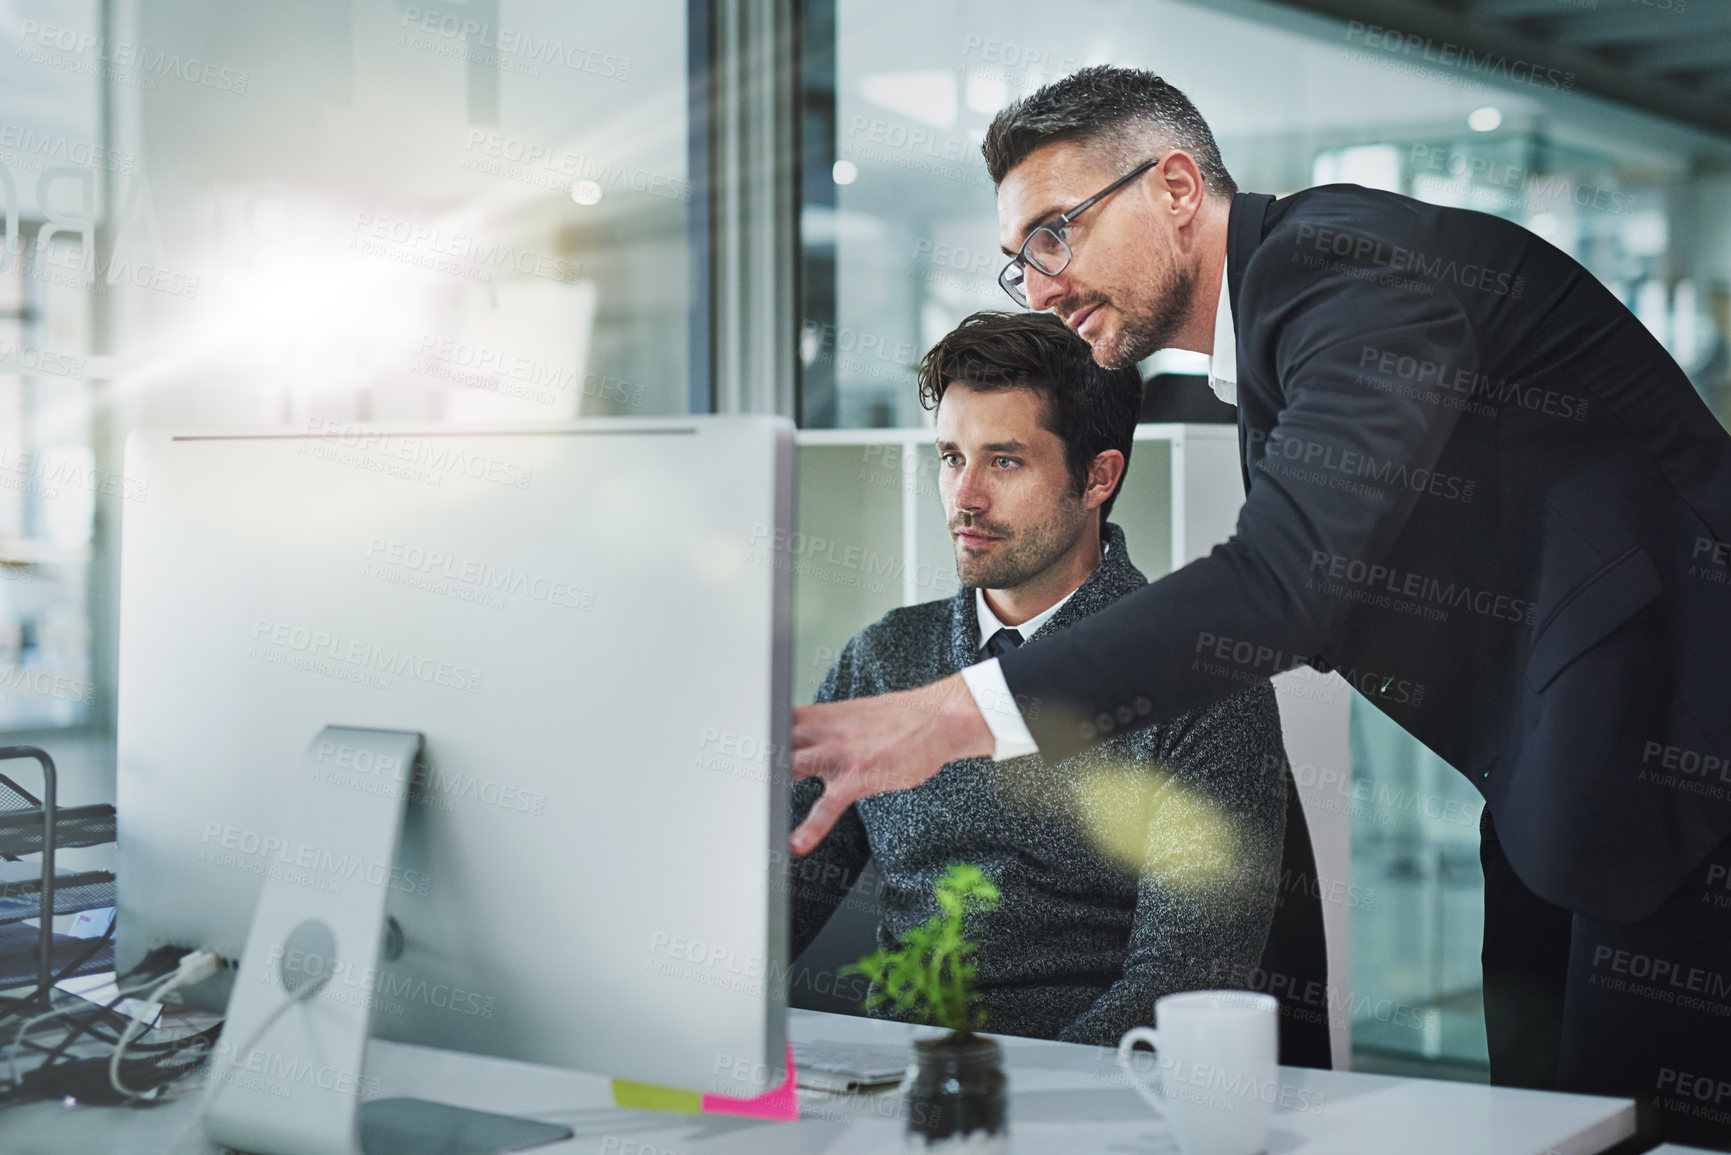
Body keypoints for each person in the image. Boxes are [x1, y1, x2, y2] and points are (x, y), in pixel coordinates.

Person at [790, 66, 1731, 1146]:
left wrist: (959, 710)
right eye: (1021, 259)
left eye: (1057, 233)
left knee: (1635, 1128)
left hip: (1679, 761)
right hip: (1563, 775)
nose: (1041, 283)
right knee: (1554, 1120)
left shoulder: (1343, 269)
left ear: (1178, 188)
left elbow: (1286, 584)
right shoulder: (1278, 337)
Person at [789, 310, 1288, 1046]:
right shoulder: (886, 657)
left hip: (1088, 1102)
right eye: (951, 457)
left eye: (1005, 461)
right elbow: (769, 908)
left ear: (1098, 476)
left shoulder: (1201, 680)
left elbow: (1179, 983)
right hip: (897, 1087)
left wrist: (1012, 1100)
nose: (965, 498)